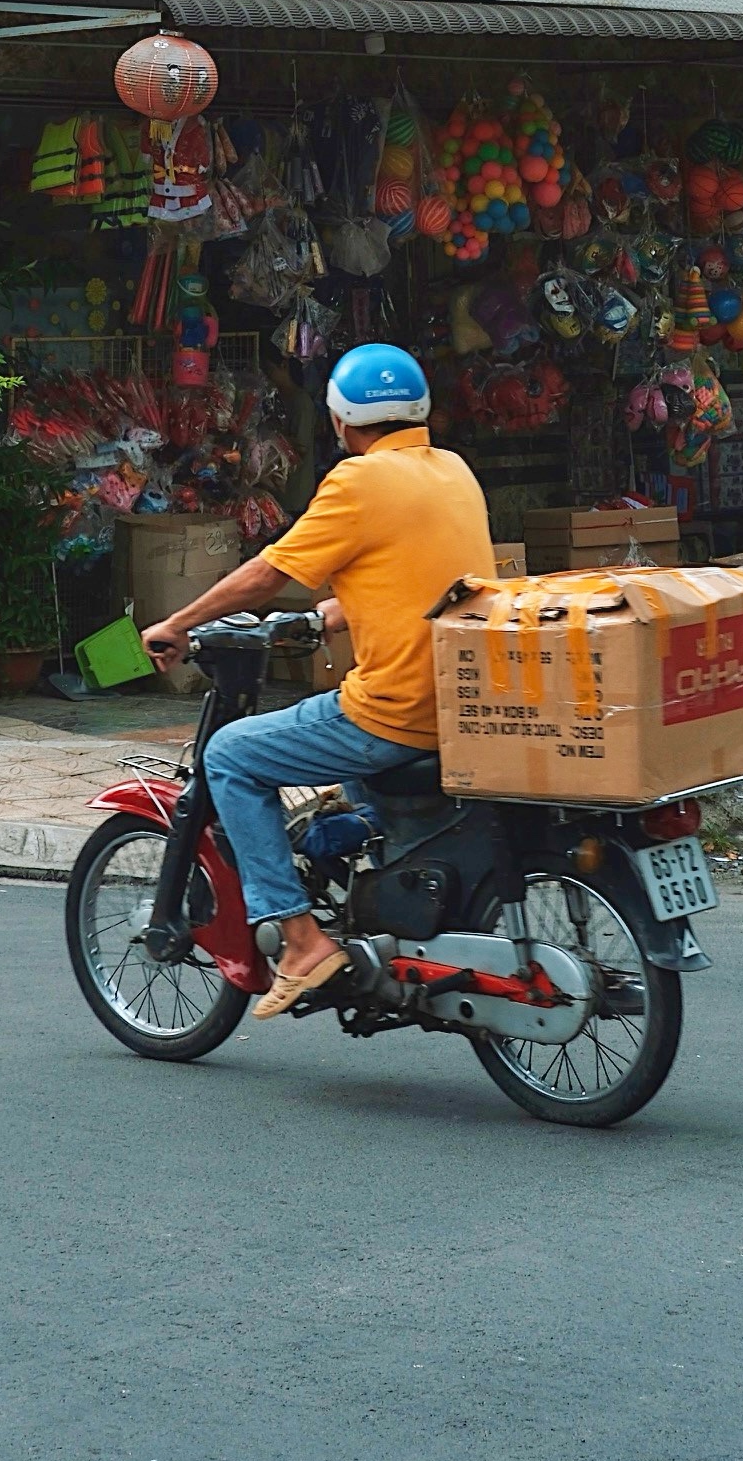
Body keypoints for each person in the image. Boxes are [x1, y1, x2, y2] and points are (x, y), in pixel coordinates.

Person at [141, 342, 493, 1019]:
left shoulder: (358, 481)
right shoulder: (452, 470)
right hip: (460, 701)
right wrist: (339, 611)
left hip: (395, 710)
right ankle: (377, 915)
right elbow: (419, 572)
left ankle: (300, 941)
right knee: (348, 790)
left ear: (340, 420)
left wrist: (181, 621)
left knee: (231, 756)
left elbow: (271, 574)